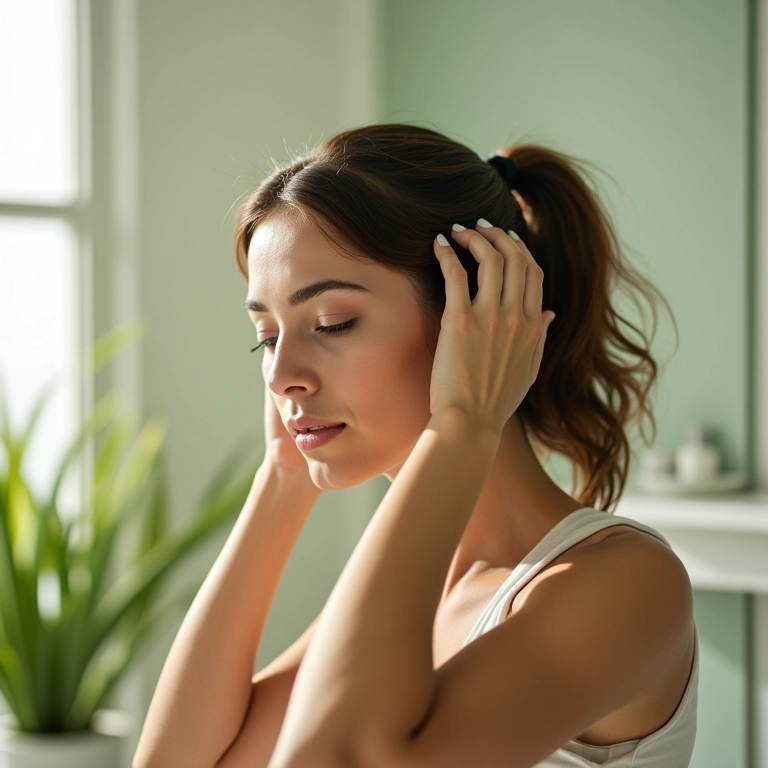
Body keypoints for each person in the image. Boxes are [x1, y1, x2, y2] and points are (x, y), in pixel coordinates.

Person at [133, 123, 697, 768]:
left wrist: (464, 423)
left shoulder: (623, 584)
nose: (280, 371)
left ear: (479, 317)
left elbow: (333, 757)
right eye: (266, 335)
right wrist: (283, 480)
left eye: (331, 323)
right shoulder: (411, 597)